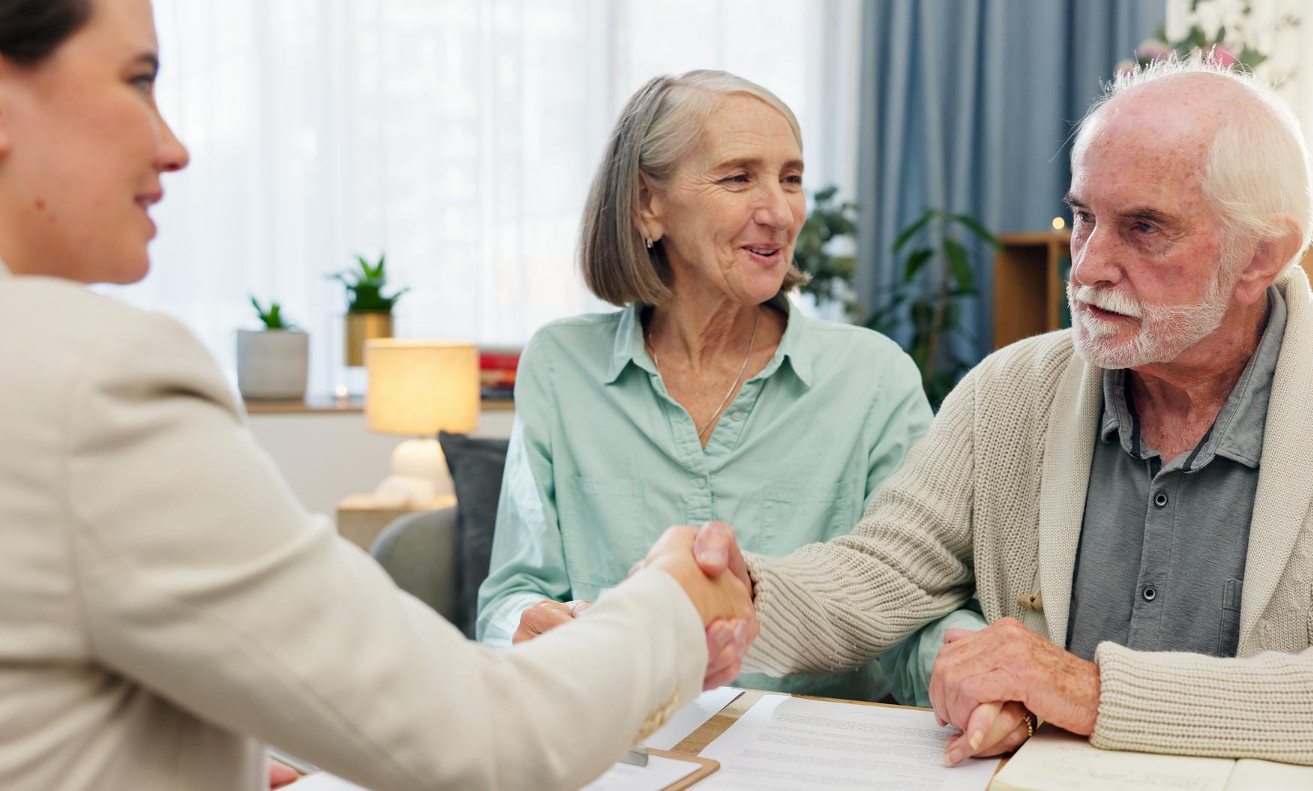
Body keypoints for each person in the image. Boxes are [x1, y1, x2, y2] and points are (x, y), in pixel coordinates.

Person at [0, 2, 755, 790]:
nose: (175, 147)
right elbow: (490, 738)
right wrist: (672, 596)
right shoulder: (93, 382)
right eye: (139, 79)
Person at [683, 58, 1313, 769]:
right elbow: (874, 577)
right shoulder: (1011, 391)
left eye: (1144, 228)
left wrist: (1089, 689)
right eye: (1082, 216)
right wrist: (728, 592)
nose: (1089, 264)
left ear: (1262, 255)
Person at [474, 70, 935, 701]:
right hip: (623, 741)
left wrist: (967, 668)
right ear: (647, 204)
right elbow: (512, 594)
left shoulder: (873, 378)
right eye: (738, 176)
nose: (779, 212)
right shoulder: (560, 365)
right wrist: (525, 625)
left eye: (791, 177)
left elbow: (919, 603)